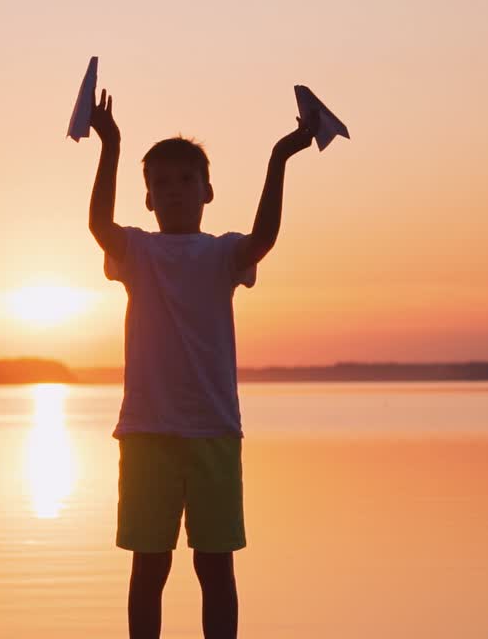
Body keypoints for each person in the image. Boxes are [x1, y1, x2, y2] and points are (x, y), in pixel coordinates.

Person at [86, 88, 319, 639]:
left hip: (214, 432)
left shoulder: (222, 254)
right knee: (150, 568)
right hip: (147, 434)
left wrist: (281, 156)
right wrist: (110, 144)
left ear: (207, 191)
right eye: (161, 184)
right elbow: (98, 224)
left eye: (185, 180)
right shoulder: (137, 252)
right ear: (147, 199)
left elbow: (264, 237)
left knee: (215, 568)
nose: (173, 191)